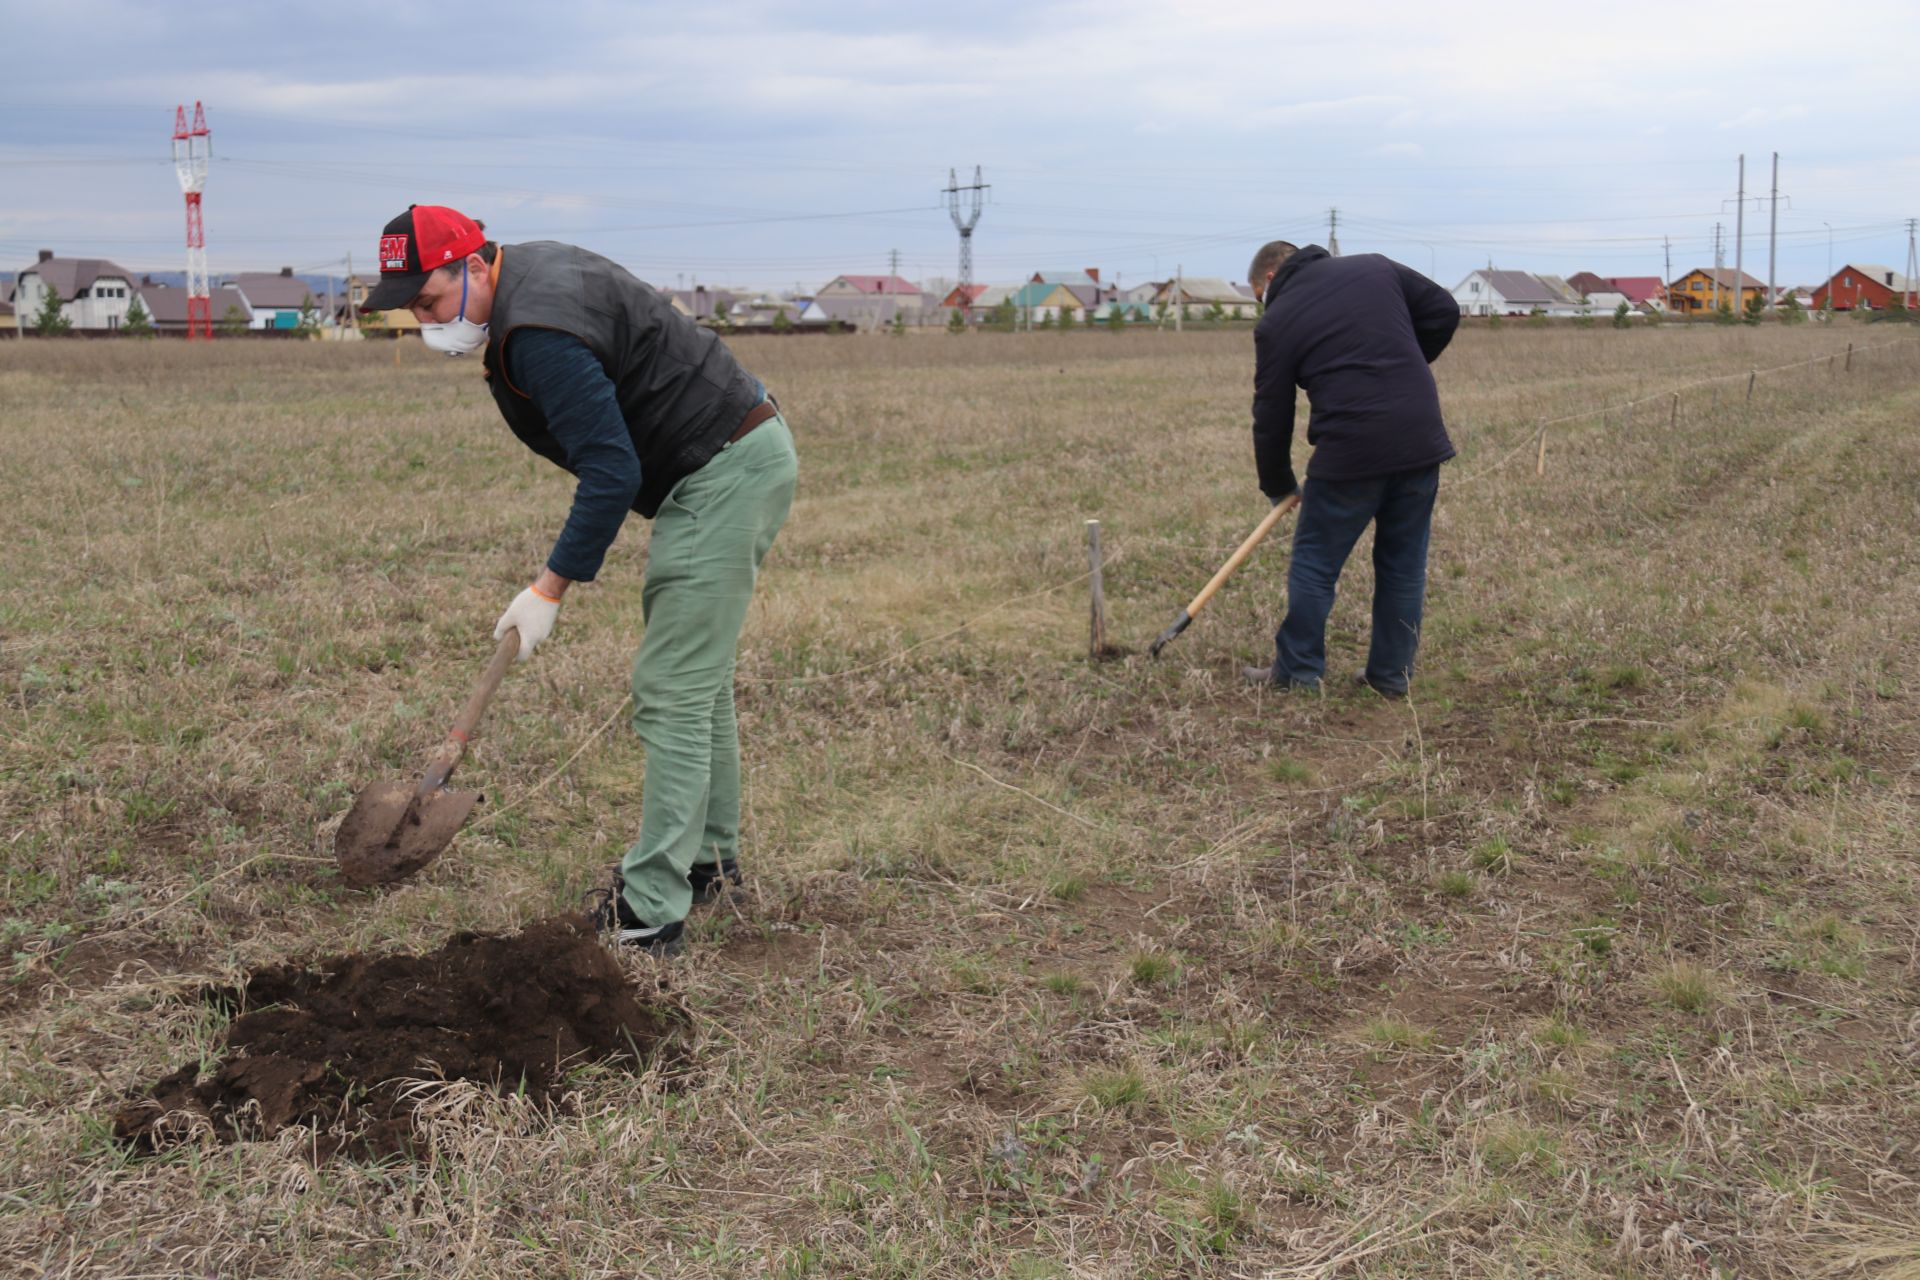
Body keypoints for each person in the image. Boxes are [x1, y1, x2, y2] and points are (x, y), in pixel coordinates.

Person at [361, 205, 798, 954]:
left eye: (427, 299)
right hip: (736, 454)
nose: (424, 319)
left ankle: (652, 909)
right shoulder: (530, 276)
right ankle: (709, 863)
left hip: (721, 473)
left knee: (672, 690)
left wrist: (547, 589)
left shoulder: (538, 332)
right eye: (408, 307)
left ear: (472, 267)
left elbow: (611, 469)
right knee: (698, 680)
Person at [1241, 241, 1460, 698]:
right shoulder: (1376, 268)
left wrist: (1278, 484)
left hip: (1350, 450)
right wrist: (1406, 364)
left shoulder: (1276, 321)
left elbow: (1272, 414)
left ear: (1268, 281)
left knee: (1315, 563)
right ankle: (1391, 676)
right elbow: (1444, 309)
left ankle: (1298, 673)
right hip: (1419, 436)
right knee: (1403, 565)